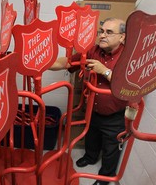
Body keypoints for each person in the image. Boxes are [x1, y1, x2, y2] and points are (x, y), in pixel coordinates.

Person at [50, 17, 127, 185]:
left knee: (111, 147)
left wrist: (104, 71)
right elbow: (70, 62)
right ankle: (90, 157)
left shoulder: (128, 56)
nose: (102, 36)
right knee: (91, 137)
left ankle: (105, 178)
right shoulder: (94, 50)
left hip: (115, 115)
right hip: (93, 108)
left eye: (109, 32)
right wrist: (46, 62)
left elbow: (127, 85)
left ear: (122, 37)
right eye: (102, 31)